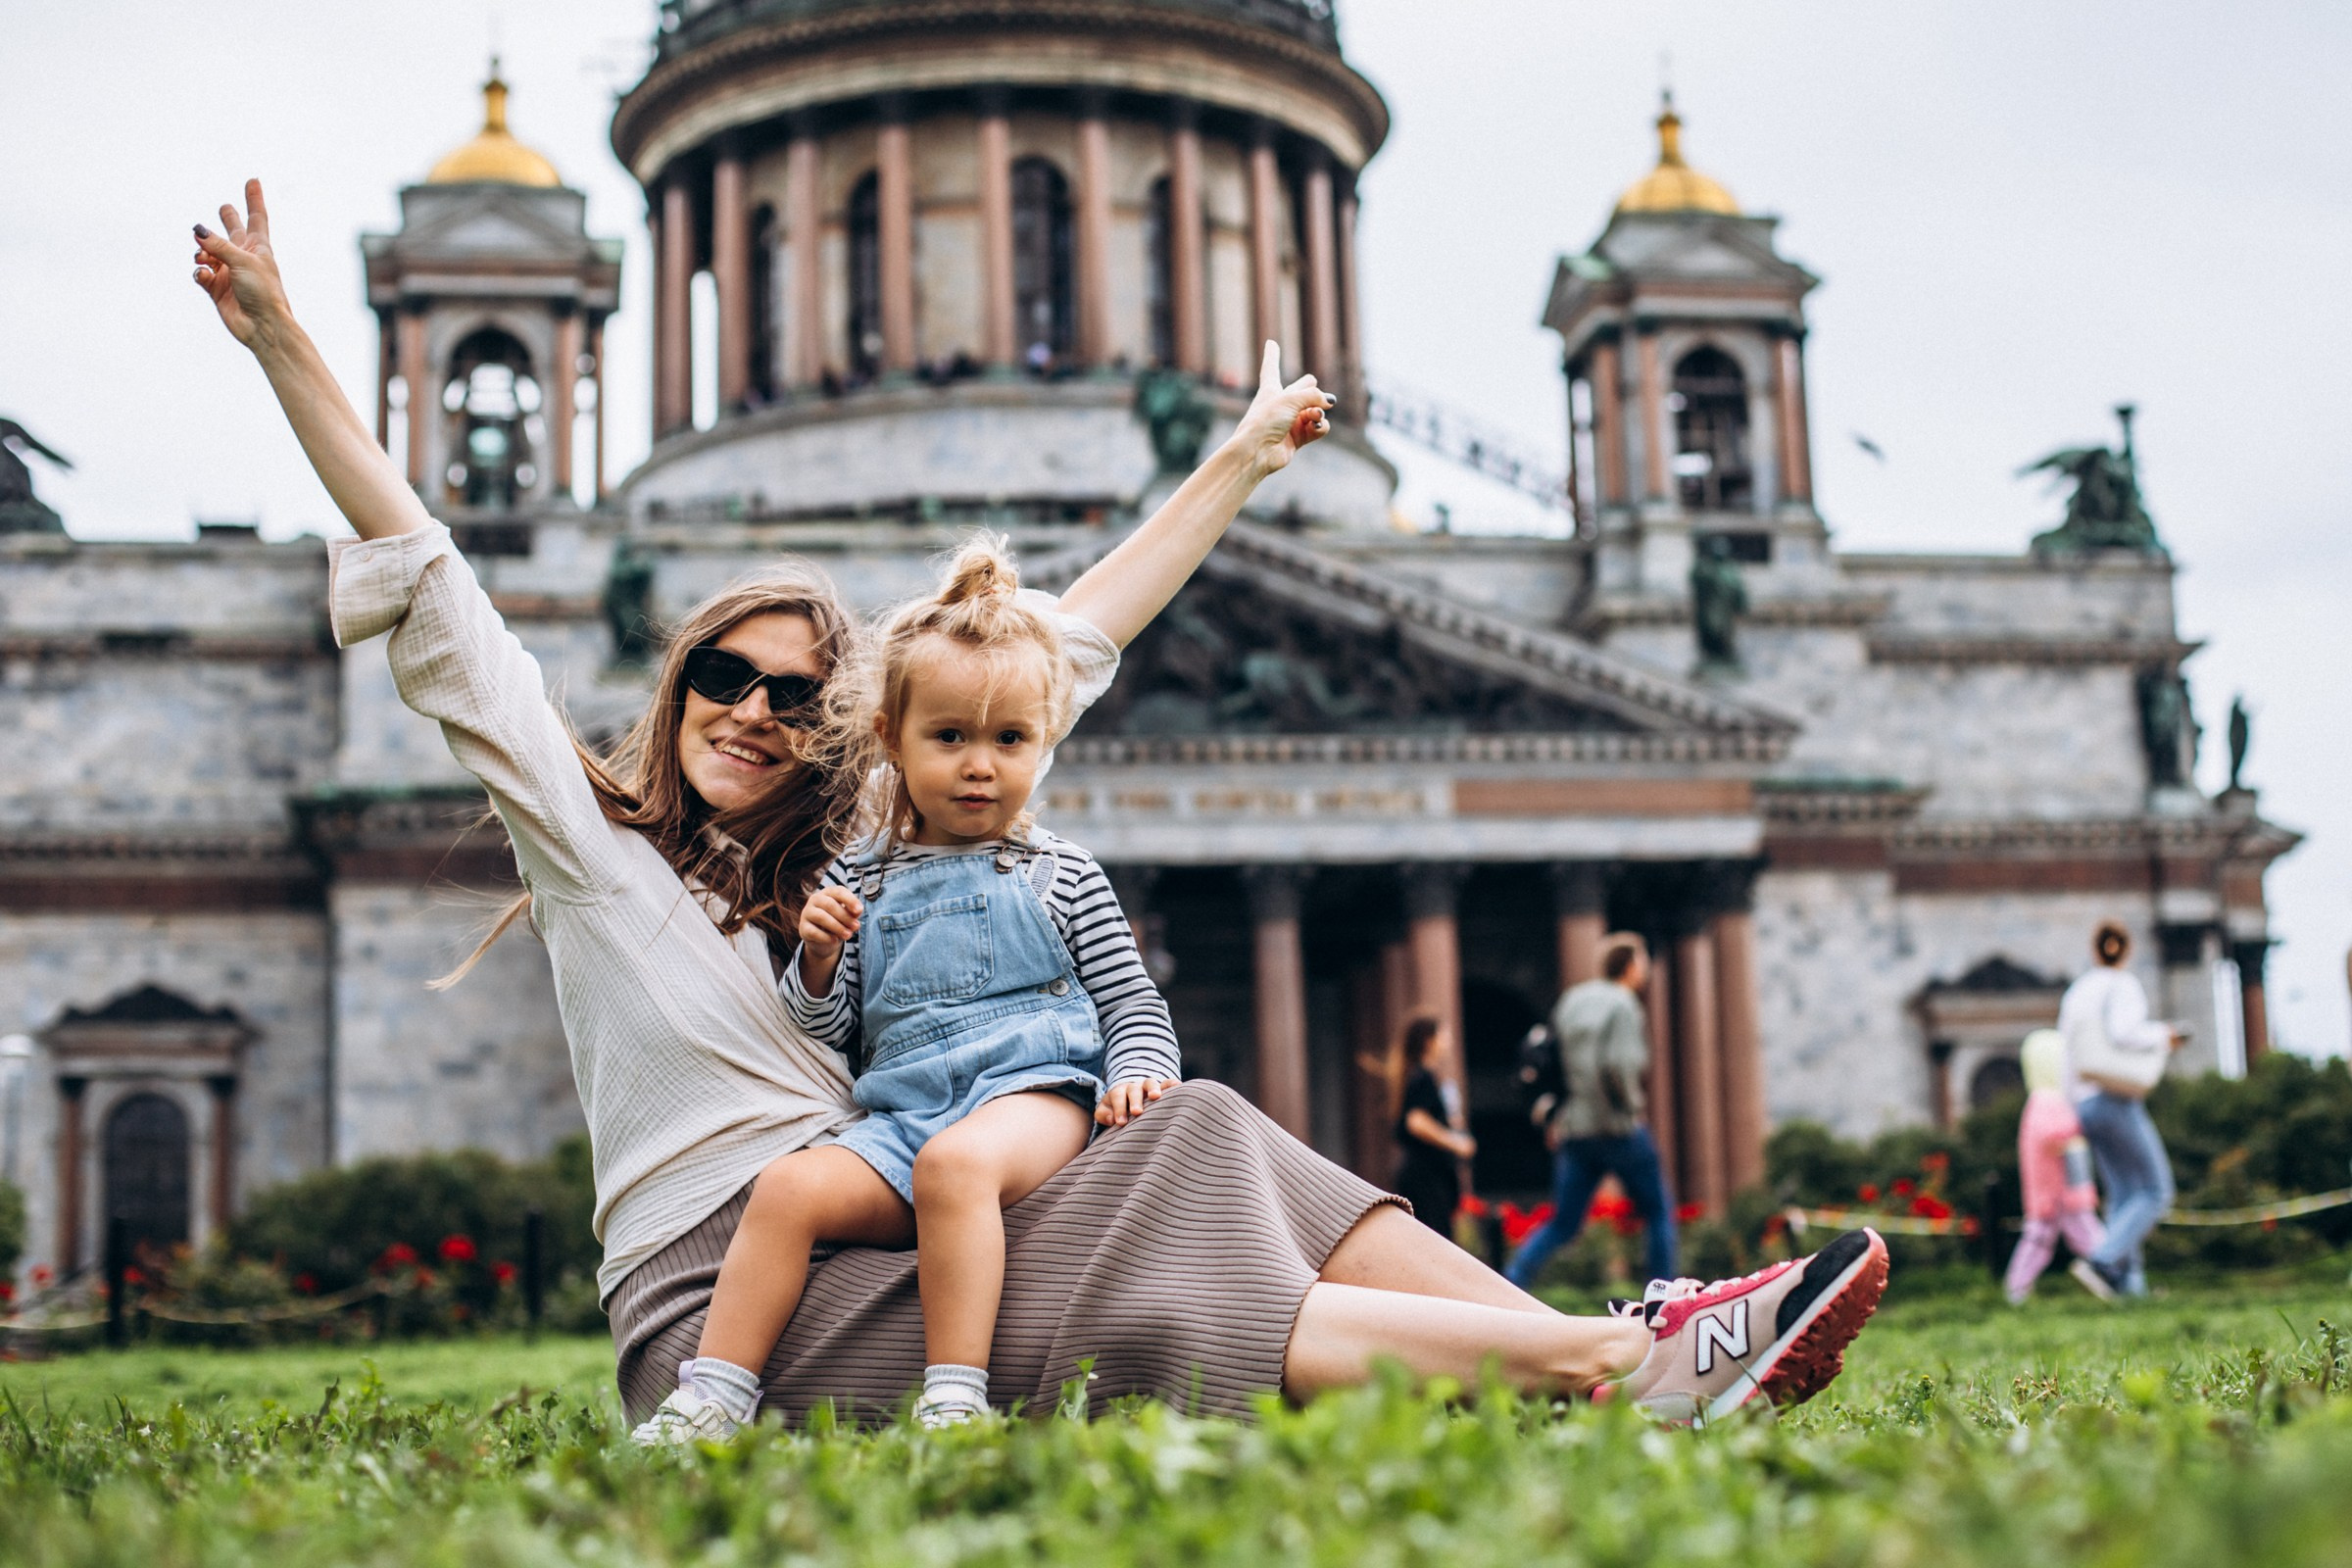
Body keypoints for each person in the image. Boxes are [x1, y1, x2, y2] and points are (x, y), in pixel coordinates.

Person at [191, 179, 1888, 1428]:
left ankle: (1627, 1348)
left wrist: (1240, 461)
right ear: (675, 687)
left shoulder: (877, 842)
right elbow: (439, 590)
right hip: (733, 1309)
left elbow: (1066, 643)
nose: (755, 713)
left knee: (1194, 1123)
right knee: (1155, 1283)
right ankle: (1625, 1363)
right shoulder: (595, 856)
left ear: (844, 728)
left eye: (797, 695)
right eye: (723, 678)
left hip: (905, 1231)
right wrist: (280, 342)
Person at [635, 537, 1186, 1442]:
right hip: (903, 1117)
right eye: (951, 737)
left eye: (1010, 740)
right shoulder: (859, 876)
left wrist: (1138, 1072)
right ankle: (714, 1395)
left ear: (1044, 743)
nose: (980, 765)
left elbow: (1131, 1001)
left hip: (1033, 1095)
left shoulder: (1064, 872)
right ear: (892, 740)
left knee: (957, 1167)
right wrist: (816, 958)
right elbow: (828, 1025)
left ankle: (955, 1397)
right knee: (788, 1188)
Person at [1502, 935, 1678, 1291]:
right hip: (1618, 1128)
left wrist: (1556, 1115)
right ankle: (1664, 1295)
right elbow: (1618, 1065)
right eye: (1642, 963)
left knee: (1563, 1223)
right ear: (1629, 966)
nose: (1644, 971)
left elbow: (1551, 1058)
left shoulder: (1572, 1000)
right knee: (1658, 1212)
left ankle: (1511, 1282)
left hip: (1576, 1129)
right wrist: (1632, 1108)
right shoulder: (1624, 1004)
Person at [2059, 921, 2180, 1300]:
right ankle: (2103, 1261)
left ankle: (2129, 1289)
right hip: (2114, 1097)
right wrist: (2164, 1036)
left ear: (2094, 950)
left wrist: (2071, 1106)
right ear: (2126, 951)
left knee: (2125, 1195)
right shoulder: (2123, 985)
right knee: (2155, 1191)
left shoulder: (2078, 991)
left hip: (2083, 1103)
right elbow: (2125, 1033)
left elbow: (2067, 1053)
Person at [2000, 1028, 2106, 1305]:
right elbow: (2053, 1135)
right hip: (2060, 1190)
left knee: (2042, 1241)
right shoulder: (2048, 1100)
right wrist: (2084, 1127)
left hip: (2053, 1190)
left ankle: (2017, 1291)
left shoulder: (2042, 1100)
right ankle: (2116, 1277)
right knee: (2081, 1238)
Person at [1391, 1016, 1476, 1239]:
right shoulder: (1422, 1077)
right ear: (1429, 1041)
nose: (1448, 1041)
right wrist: (1456, 1143)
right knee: (1435, 1239)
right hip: (1426, 1175)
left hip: (1426, 1174)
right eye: (1443, 1035)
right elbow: (1416, 1121)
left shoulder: (1419, 1076)